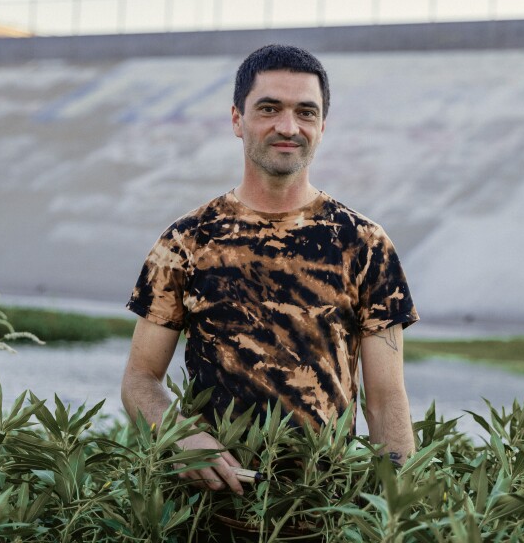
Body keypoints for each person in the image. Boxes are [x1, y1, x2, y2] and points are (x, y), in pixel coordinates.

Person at [121, 44, 418, 496]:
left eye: (305, 112)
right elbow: (139, 379)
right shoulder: (187, 241)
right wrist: (178, 433)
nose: (288, 127)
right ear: (237, 120)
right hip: (207, 514)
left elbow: (384, 400)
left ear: (323, 126)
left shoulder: (365, 243)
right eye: (269, 109)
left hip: (324, 510)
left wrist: (396, 511)